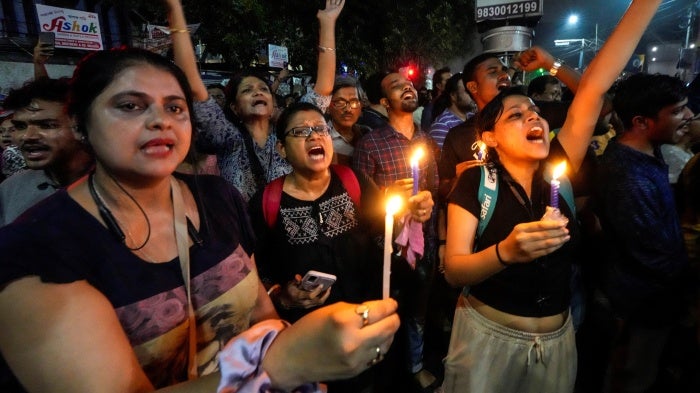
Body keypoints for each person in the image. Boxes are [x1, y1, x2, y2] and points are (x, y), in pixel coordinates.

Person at [0, 47, 400, 393]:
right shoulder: (35, 255)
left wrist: (303, 347)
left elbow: (261, 314)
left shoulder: (218, 199)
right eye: (130, 106)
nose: (161, 120)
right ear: (80, 124)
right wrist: (282, 367)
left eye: (175, 107)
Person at [441, 1, 660, 392]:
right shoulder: (476, 183)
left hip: (559, 341)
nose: (534, 117)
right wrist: (506, 252)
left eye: (535, 111)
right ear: (489, 137)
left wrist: (646, 4)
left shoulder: (558, 172)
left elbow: (594, 87)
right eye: (515, 115)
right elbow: (455, 270)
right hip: (488, 341)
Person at [250, 102, 433, 392]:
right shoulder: (266, 202)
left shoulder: (353, 181)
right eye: (301, 131)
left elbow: (385, 235)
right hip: (314, 342)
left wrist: (409, 216)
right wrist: (282, 295)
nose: (314, 136)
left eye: (320, 129)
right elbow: (254, 270)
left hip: (369, 321)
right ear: (282, 149)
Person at [594, 72, 694, 393]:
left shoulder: (649, 152)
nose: (689, 117)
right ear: (641, 122)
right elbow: (650, 253)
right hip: (643, 301)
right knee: (634, 376)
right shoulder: (628, 177)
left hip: (655, 298)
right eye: (677, 111)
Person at [353, 71, 440, 391]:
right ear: (383, 101)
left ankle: (415, 365)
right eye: (396, 86)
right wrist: (391, 196)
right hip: (385, 247)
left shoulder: (426, 140)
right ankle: (376, 368)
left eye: (409, 84)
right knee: (385, 307)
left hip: (424, 243)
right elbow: (362, 204)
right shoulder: (370, 144)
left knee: (418, 310)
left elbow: (434, 188)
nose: (407, 87)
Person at [0, 77, 93, 226]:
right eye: (20, 126)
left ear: (81, 127)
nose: (28, 136)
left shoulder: (121, 187)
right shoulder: (11, 189)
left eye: (46, 125)